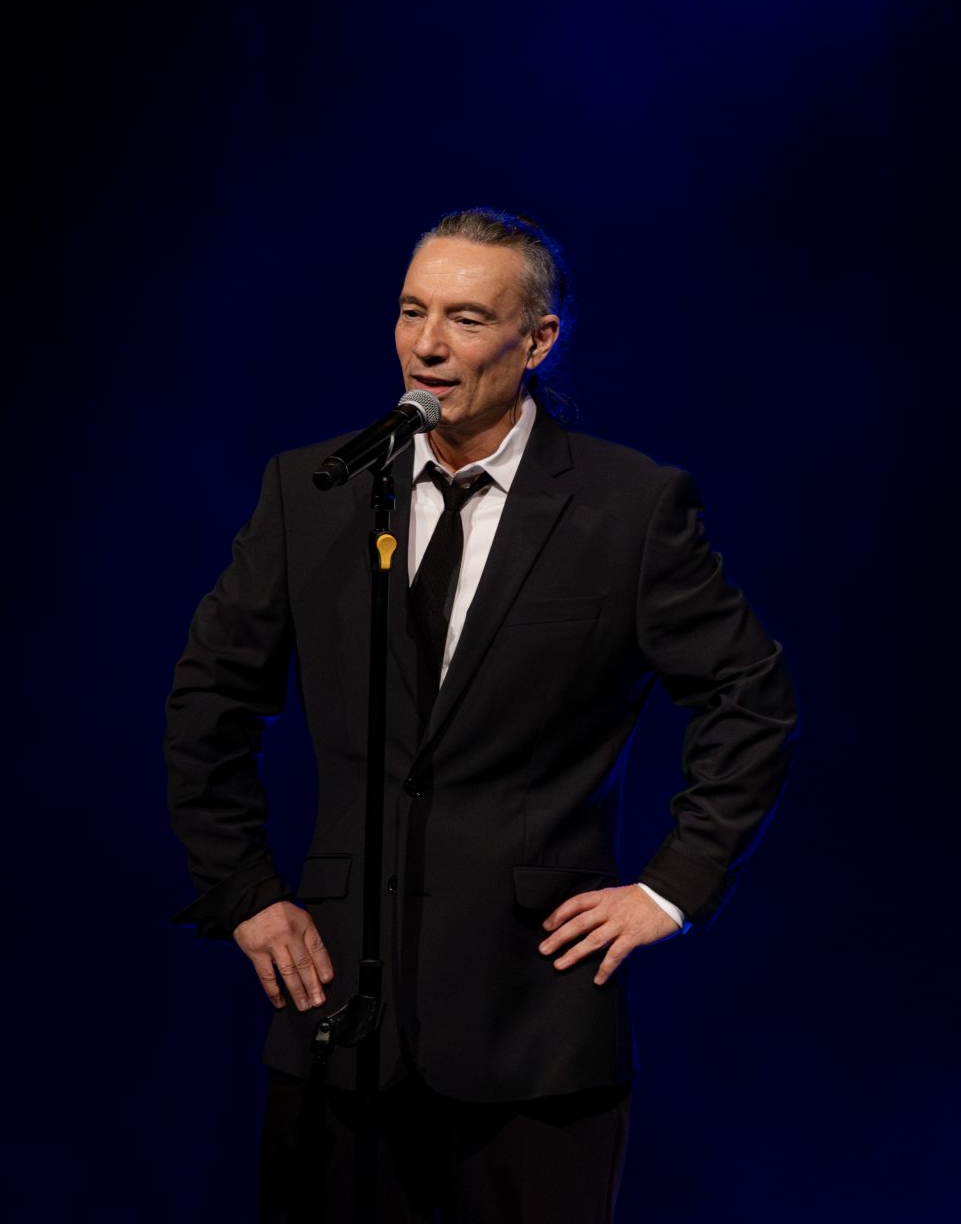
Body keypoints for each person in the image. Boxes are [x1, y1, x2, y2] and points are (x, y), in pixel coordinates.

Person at [166, 208, 798, 1222]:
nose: (426, 344)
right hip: (337, 1017)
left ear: (537, 340)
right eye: (411, 311)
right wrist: (242, 888)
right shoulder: (316, 491)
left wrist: (672, 888)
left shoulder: (627, 506)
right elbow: (211, 695)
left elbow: (750, 696)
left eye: (464, 318)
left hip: (534, 1031)